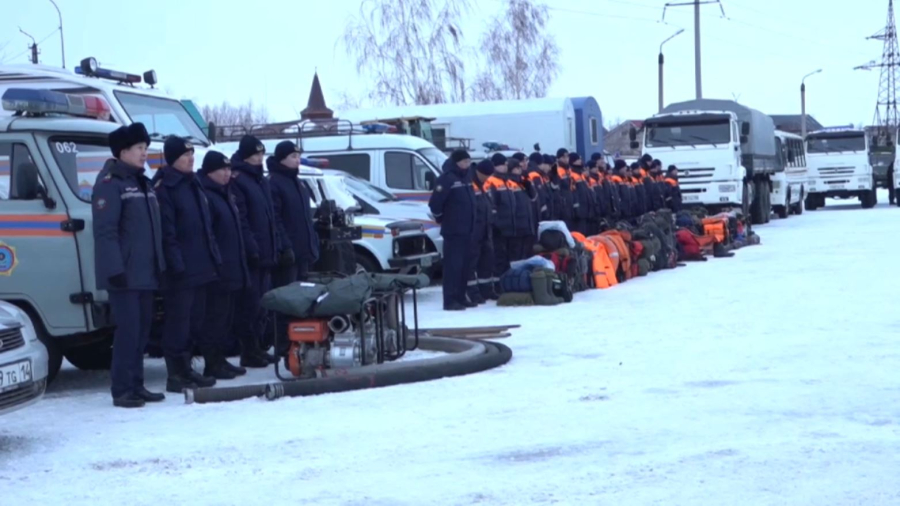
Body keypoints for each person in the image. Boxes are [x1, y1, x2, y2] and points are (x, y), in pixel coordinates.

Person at [92, 122, 166, 408]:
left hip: (145, 273)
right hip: (124, 275)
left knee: (142, 332)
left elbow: (150, 230)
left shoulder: (142, 183)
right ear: (123, 151)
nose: (144, 153)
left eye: (145, 148)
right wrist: (114, 270)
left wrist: (159, 263)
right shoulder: (111, 184)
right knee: (128, 332)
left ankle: (137, 385)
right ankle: (122, 389)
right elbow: (106, 231)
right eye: (139, 148)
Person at [154, 136, 220, 392]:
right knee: (178, 324)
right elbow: (168, 233)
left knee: (195, 322)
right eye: (185, 155)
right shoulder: (165, 188)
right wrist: (177, 266)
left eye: (192, 155)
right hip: (181, 271)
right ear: (172, 159)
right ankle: (176, 374)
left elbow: (205, 227)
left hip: (201, 266)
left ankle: (188, 369)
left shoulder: (193, 184)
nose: (191, 159)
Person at [197, 151, 250, 380]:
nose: (228, 174)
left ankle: (220, 360)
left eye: (229, 169)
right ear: (210, 172)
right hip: (218, 269)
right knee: (214, 319)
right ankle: (212, 363)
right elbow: (209, 235)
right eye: (223, 170)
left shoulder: (225, 194)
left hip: (232, 266)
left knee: (225, 319)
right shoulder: (208, 196)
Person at [231, 135, 278, 367]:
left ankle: (258, 347)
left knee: (262, 306)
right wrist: (252, 249)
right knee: (249, 306)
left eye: (261, 154)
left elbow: (270, 217)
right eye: (255, 154)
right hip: (253, 255)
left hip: (266, 252)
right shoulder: (239, 180)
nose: (260, 158)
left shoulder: (260, 180)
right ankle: (248, 351)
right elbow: (243, 220)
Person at [429, 149, 477, 311]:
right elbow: (435, 204)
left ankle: (461, 296)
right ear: (456, 162)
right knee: (453, 267)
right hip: (453, 230)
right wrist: (444, 219)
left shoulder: (467, 178)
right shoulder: (447, 179)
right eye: (464, 162)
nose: (467, 165)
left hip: (468, 229)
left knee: (464, 266)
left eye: (468, 162)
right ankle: (450, 300)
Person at [268, 141, 319, 282]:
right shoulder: (274, 182)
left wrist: (313, 240)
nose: (298, 160)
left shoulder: (298, 182)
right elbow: (275, 219)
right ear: (282, 158)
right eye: (293, 156)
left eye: (299, 156)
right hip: (288, 253)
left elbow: (305, 215)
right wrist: (285, 246)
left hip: (304, 251)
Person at [484, 153, 517, 294]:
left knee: (507, 259)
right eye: (502, 164)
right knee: (499, 259)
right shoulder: (491, 181)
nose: (505, 167)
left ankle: (506, 284)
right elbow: (492, 206)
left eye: (506, 164)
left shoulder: (507, 181)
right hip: (499, 228)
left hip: (510, 226)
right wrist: (496, 224)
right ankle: (497, 287)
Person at [467, 159, 496, 304]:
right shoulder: (470, 183)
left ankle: (486, 290)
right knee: (472, 262)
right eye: (486, 175)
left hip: (485, 228)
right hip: (474, 229)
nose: (488, 178)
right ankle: (472, 292)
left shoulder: (483, 184)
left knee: (487, 260)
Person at [568, 153, 594, 235]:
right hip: (579, 211)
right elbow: (573, 193)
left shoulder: (581, 174)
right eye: (578, 159)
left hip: (585, 210)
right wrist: (577, 208)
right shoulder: (572, 174)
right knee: (579, 234)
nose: (581, 161)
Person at [553, 149, 574, 226]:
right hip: (563, 205)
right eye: (564, 157)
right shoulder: (557, 170)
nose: (566, 159)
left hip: (569, 203)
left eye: (567, 156)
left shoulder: (568, 170)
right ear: (558, 158)